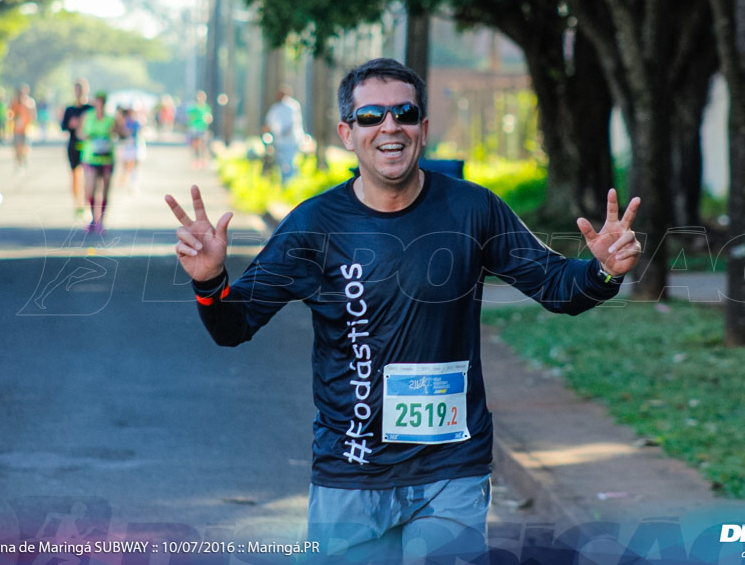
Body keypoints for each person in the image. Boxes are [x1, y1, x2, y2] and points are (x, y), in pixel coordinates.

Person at [166, 58, 642, 561]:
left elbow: (556, 288)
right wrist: (211, 280)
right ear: (348, 134)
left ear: (424, 129)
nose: (390, 126)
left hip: (451, 469)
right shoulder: (314, 226)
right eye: (371, 116)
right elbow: (232, 324)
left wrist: (602, 271)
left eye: (404, 113)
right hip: (351, 473)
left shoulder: (472, 210)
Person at [78, 92, 128, 233]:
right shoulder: (87, 117)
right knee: (90, 189)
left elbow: (124, 133)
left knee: (105, 190)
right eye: (97, 103)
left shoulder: (111, 119)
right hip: (90, 158)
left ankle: (102, 222)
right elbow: (79, 133)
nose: (100, 106)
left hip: (107, 157)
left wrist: (117, 129)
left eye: (102, 103)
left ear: (105, 104)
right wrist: (87, 136)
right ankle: (94, 219)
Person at [60, 79, 93, 222]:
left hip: (88, 147)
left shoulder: (90, 109)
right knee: (75, 176)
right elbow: (63, 127)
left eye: (81, 89)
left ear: (86, 90)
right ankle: (77, 205)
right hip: (73, 145)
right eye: (76, 89)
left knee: (88, 177)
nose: (78, 92)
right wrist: (71, 124)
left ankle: (87, 205)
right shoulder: (70, 109)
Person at [263, 84, 305, 182]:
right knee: (284, 162)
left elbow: (292, 123)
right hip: (281, 140)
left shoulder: (292, 106)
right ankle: (286, 183)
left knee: (290, 162)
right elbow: (269, 122)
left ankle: (291, 183)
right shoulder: (277, 107)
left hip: (291, 139)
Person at [9, 84, 35, 169]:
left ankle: (24, 158)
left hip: (27, 129)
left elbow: (33, 116)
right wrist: (14, 119)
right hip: (17, 130)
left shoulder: (30, 103)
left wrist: (29, 110)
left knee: (25, 146)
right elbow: (10, 114)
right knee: (18, 147)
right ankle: (19, 162)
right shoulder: (15, 103)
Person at [185, 91, 212, 169]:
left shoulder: (206, 107)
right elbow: (190, 116)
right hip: (195, 128)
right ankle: (196, 160)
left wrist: (208, 119)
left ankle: (203, 159)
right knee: (196, 145)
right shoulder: (194, 107)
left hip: (203, 128)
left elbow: (209, 117)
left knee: (203, 144)